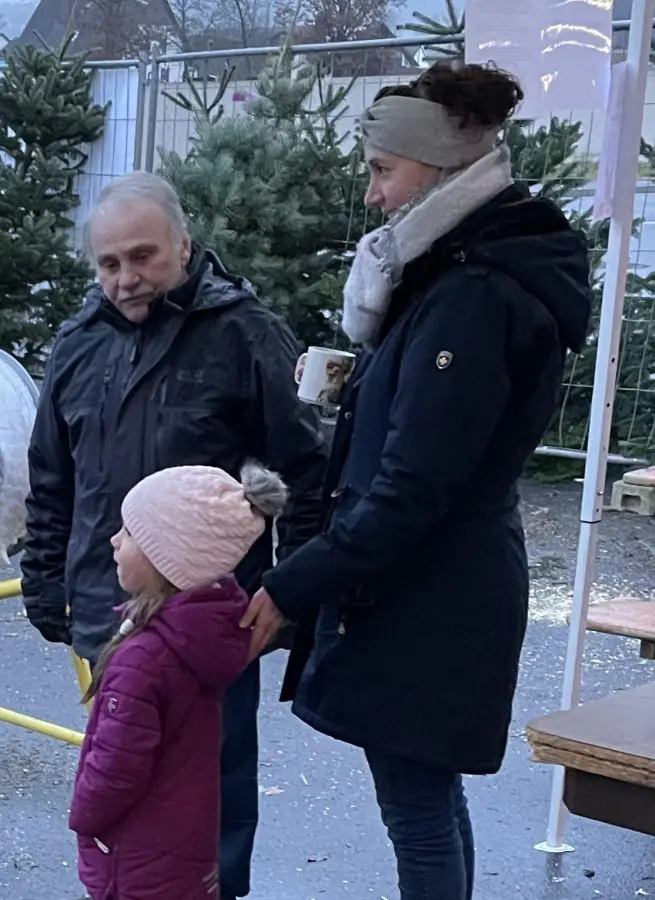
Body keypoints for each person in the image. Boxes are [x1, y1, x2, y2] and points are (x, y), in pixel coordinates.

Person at [241, 62, 592, 900]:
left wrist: (290, 585)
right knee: (422, 796)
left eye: (380, 170)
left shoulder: (471, 295)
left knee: (416, 807)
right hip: (431, 580)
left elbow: (413, 487)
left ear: (435, 168)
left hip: (433, 591)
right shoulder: (458, 273)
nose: (372, 195)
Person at [22, 171, 328, 899]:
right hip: (106, 611)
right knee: (122, 792)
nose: (127, 279)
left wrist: (286, 593)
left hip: (208, 628)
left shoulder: (245, 335)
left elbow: (307, 472)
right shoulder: (76, 346)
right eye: (108, 264)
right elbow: (50, 478)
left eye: (143, 256)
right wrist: (44, 582)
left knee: (208, 804)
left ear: (183, 245)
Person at [71, 463, 288, 900]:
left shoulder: (143, 659)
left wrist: (83, 814)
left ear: (166, 558)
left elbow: (117, 767)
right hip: (183, 851)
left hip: (135, 859)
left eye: (129, 533)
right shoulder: (203, 634)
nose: (115, 540)